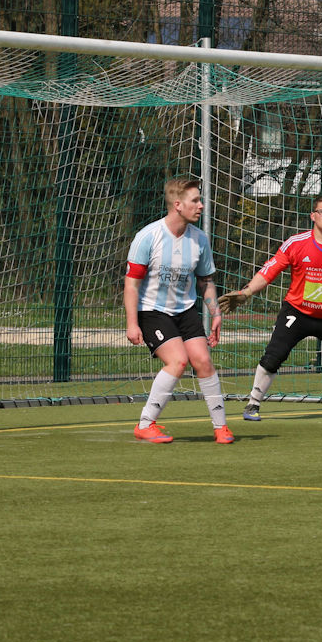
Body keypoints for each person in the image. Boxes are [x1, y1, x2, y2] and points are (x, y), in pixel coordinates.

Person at [219, 194, 322, 422]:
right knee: (273, 356)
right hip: (297, 313)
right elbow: (270, 270)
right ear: (313, 216)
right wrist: (246, 292)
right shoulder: (296, 243)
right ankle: (253, 403)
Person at [124, 177, 233, 444]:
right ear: (177, 205)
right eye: (195, 200)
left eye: (200, 199)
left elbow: (206, 281)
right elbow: (131, 284)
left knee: (203, 361)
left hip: (185, 311)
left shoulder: (199, 239)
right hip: (151, 311)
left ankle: (221, 428)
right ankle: (145, 424)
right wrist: (132, 323)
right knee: (178, 361)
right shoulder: (148, 237)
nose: (201, 205)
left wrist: (215, 314)